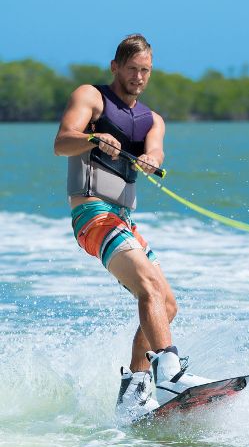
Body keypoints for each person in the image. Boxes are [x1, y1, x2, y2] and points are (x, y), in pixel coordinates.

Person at [54, 34, 212, 420]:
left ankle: (136, 387)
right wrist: (93, 137)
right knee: (147, 285)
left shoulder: (152, 120)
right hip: (93, 214)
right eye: (132, 69)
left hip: (124, 222)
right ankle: (170, 373)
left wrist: (150, 160)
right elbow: (62, 142)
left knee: (166, 304)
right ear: (115, 67)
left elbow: (156, 149)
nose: (139, 77)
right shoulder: (92, 96)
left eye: (146, 71)